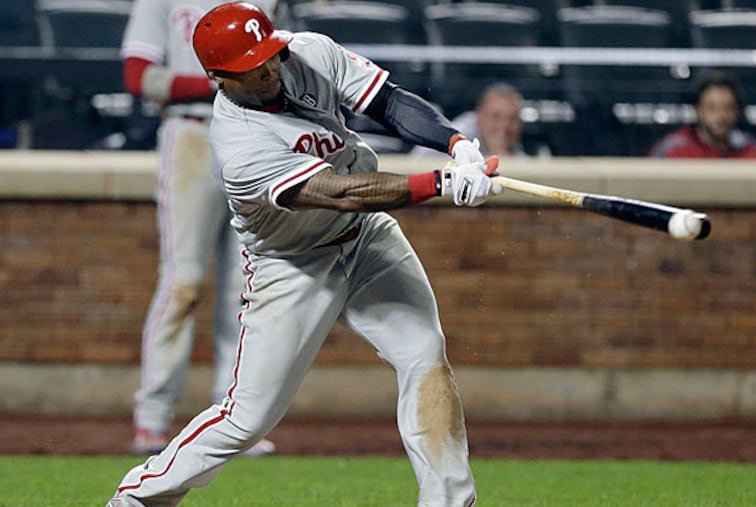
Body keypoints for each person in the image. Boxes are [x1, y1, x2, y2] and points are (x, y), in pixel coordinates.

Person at [107, 2, 501, 506]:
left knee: (424, 354)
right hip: (292, 262)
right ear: (220, 78)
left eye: (269, 54)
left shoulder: (308, 51)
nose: (269, 68)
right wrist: (440, 182)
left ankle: (449, 501)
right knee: (247, 419)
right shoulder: (239, 143)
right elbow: (341, 191)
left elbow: (389, 102)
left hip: (365, 235)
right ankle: (138, 496)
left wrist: (457, 144)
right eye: (252, 66)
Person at [120, 0, 278, 457]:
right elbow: (139, 76)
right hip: (189, 134)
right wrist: (224, 82)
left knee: (243, 290)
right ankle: (151, 417)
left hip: (251, 138)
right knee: (183, 282)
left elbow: (276, 72)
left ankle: (237, 421)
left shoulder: (259, 2)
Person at [410, 82, 550, 159]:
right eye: (496, 117)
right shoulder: (457, 133)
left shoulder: (514, 141)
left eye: (512, 119)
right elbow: (415, 165)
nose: (504, 126)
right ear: (479, 115)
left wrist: (502, 157)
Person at [649, 68, 756, 159]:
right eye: (712, 108)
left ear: (737, 111)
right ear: (698, 110)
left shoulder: (749, 150)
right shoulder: (673, 149)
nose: (721, 116)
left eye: (728, 108)